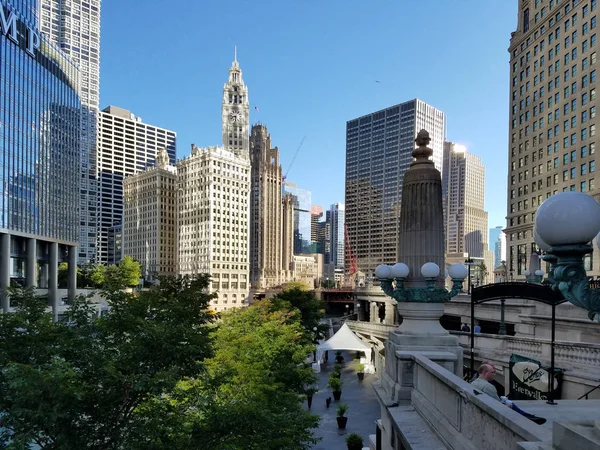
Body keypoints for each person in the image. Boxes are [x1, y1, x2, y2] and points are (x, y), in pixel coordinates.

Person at [471, 363, 546, 425]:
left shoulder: (473, 383)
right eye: (492, 372)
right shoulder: (488, 386)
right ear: (485, 373)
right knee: (510, 404)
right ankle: (529, 417)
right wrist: (507, 406)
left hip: (483, 406)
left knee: (509, 402)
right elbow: (498, 406)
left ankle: (529, 416)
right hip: (491, 411)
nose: (494, 374)